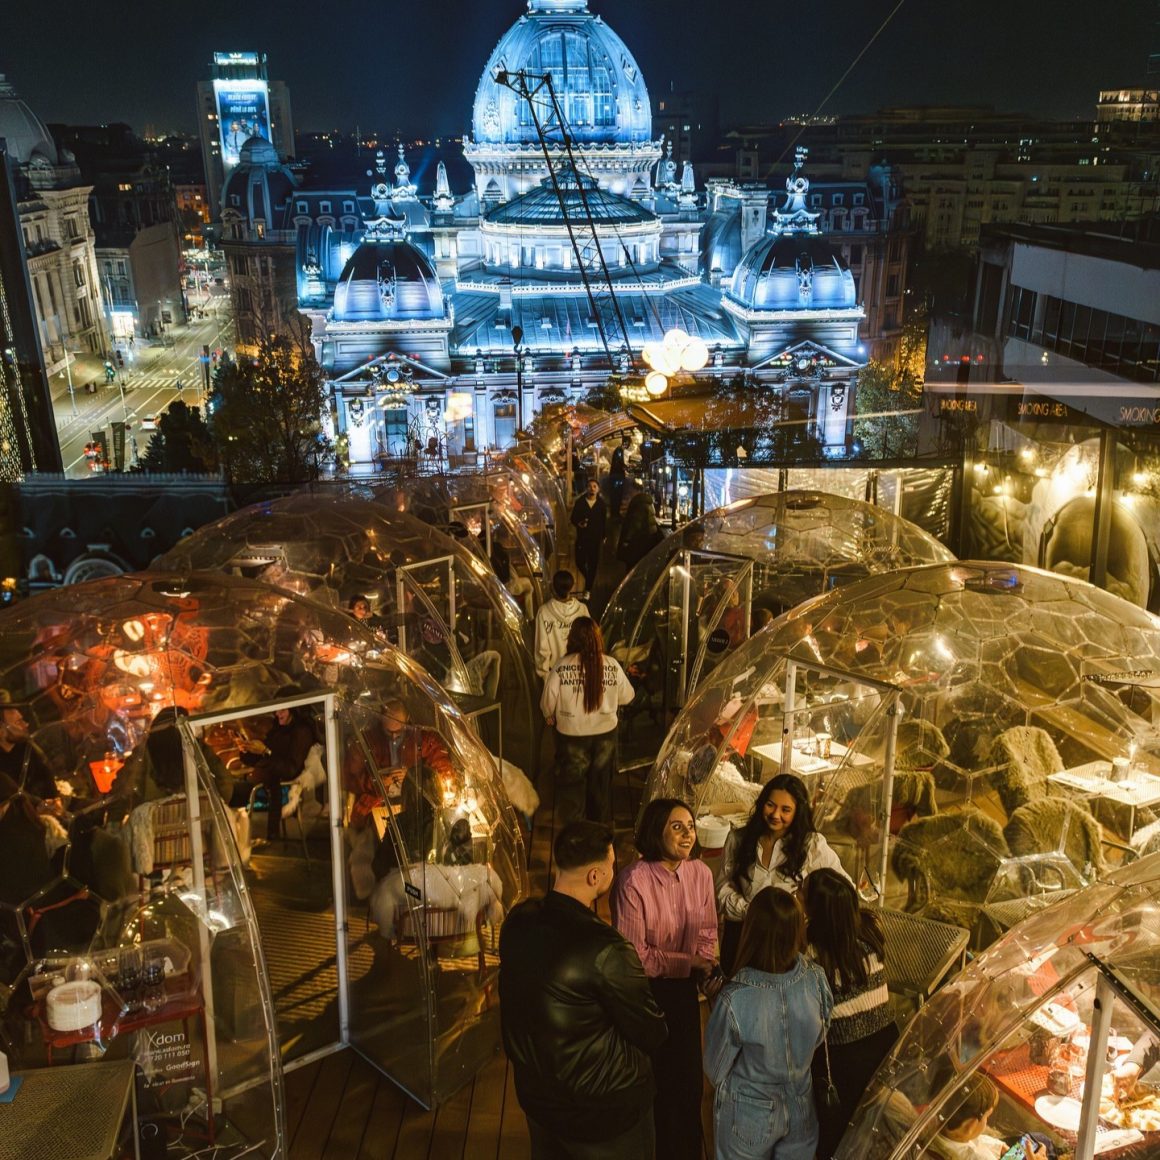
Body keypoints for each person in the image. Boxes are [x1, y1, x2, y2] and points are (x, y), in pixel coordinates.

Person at [500, 821, 668, 1160]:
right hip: (603, 1113)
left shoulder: (518, 920)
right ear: (595, 877)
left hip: (538, 1098)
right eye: (610, 866)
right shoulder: (607, 949)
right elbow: (652, 1031)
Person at [613, 799, 719, 1160]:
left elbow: (707, 930)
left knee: (688, 1085)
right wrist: (689, 963)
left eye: (690, 826)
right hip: (646, 994)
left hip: (685, 991)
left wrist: (704, 962)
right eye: (677, 826)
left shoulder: (700, 874)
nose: (688, 833)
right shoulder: (633, 881)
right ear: (656, 830)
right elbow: (635, 958)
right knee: (656, 1085)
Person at [704, 886, 833, 1160]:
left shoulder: (734, 997)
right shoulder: (816, 978)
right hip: (802, 1105)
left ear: (752, 931)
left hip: (748, 1113)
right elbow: (821, 1036)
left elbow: (715, 1071)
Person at [803, 868, 898, 1158]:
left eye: (802, 894)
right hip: (886, 1043)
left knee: (839, 1132)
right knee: (870, 1124)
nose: (798, 896)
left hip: (843, 1056)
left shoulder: (813, 954)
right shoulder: (871, 930)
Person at [716, 774, 851, 973]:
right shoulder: (738, 839)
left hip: (785, 944)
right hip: (742, 939)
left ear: (798, 813)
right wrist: (752, 911)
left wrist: (806, 915)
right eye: (770, 805)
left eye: (785, 810)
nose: (775, 815)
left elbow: (844, 888)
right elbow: (721, 891)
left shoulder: (812, 845)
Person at [342, 698, 450, 895]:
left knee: (418, 843)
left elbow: (443, 768)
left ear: (407, 720)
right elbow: (348, 777)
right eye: (388, 732)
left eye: (398, 732)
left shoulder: (422, 739)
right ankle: (380, 890)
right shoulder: (367, 740)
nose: (393, 737)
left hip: (414, 801)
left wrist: (413, 776)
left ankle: (410, 891)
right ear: (380, 722)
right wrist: (378, 782)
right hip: (376, 800)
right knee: (369, 844)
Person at [541, 618, 634, 824]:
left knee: (572, 789)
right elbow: (628, 696)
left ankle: (574, 837)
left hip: (571, 734)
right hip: (605, 734)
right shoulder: (611, 665)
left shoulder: (561, 666)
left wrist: (550, 716)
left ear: (572, 638)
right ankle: (598, 835)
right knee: (600, 786)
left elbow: (547, 702)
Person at [237, 705, 316, 842]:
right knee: (232, 790)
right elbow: (258, 760)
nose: (277, 713)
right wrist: (245, 749)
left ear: (293, 710)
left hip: (282, 788)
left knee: (234, 793)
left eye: (282, 710)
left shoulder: (301, 732)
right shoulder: (277, 731)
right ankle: (238, 844)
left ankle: (241, 844)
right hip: (265, 782)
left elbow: (290, 769)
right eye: (276, 710)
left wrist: (266, 752)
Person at [936, 1074, 1048, 1160]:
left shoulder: (941, 1125)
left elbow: (974, 1139)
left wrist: (999, 1146)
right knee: (1044, 1144)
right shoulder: (979, 1157)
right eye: (987, 1117)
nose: (987, 1121)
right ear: (971, 1125)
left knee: (1039, 1138)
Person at [0, 691, 56, 804]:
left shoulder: (27, 748)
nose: (26, 725)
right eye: (18, 722)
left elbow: (47, 777)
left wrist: (54, 801)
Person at [533, 570, 589, 680]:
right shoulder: (582, 610)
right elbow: (589, 641)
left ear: (552, 587)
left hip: (556, 675)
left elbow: (542, 648)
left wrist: (545, 676)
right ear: (572, 587)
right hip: (580, 673)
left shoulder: (544, 612)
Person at [570, 477, 607, 593]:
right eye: (590, 486)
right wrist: (579, 523)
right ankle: (589, 579)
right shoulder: (580, 502)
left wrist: (604, 536)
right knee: (579, 561)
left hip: (595, 539)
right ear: (586, 488)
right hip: (582, 537)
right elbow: (573, 518)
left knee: (593, 563)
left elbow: (604, 521)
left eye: (594, 486)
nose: (592, 489)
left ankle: (588, 589)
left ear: (598, 489)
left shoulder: (601, 504)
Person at [617, 491, 665, 572]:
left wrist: (624, 546)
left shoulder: (638, 506)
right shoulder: (650, 505)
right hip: (650, 548)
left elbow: (632, 528)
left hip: (636, 549)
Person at [610, 437, 628, 517]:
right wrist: (626, 467)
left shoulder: (619, 450)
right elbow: (620, 462)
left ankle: (615, 513)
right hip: (617, 476)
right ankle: (615, 513)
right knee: (617, 494)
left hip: (616, 475)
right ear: (626, 443)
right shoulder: (619, 450)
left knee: (616, 494)